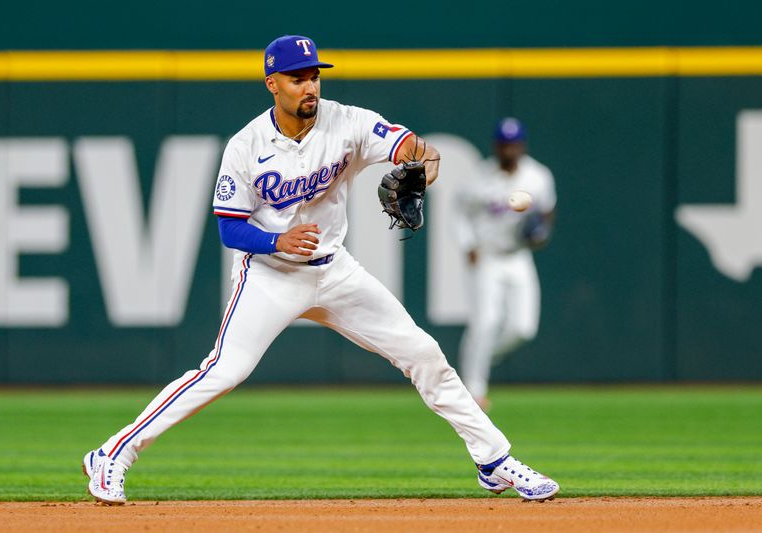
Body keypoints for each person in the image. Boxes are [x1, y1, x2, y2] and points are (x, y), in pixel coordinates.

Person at [81, 36, 559, 504]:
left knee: (424, 352)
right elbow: (229, 229)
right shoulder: (245, 146)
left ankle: (493, 461)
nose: (309, 87)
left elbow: (418, 148)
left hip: (335, 272)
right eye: (297, 78)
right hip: (268, 274)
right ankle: (112, 454)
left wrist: (421, 170)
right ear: (272, 83)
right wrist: (275, 240)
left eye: (314, 76)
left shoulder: (347, 123)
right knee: (223, 371)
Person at [457, 118, 557, 411]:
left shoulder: (538, 176)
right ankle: (473, 388)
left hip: (518, 257)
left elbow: (548, 212)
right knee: (485, 322)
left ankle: (480, 359)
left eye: (513, 144)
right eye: (504, 144)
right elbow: (459, 212)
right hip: (487, 256)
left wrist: (542, 232)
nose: (509, 149)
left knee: (523, 328)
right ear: (496, 146)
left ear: (521, 146)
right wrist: (468, 244)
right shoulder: (480, 177)